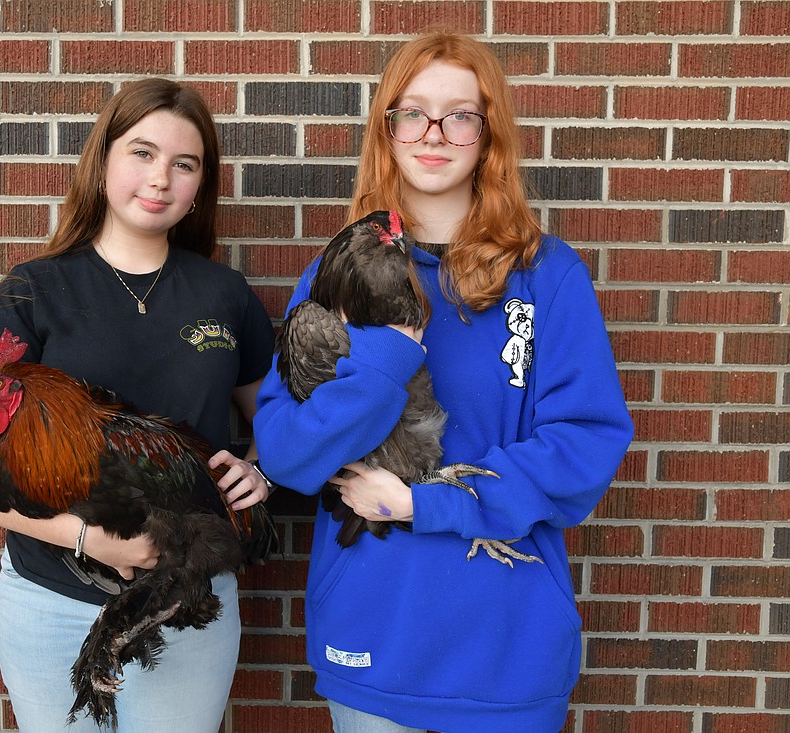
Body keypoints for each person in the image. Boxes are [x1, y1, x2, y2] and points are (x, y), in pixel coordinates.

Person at [252, 33, 634, 733]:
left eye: (460, 114)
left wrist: (422, 503)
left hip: (504, 643)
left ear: (489, 135)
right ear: (387, 128)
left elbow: (583, 450)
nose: (434, 133)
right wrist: (388, 361)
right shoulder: (333, 280)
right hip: (376, 630)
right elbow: (286, 454)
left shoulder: (548, 276)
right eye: (413, 112)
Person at [0, 78, 276, 733]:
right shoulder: (36, 289)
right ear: (105, 161)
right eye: (142, 153)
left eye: (184, 163)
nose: (160, 177)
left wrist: (261, 472)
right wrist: (86, 536)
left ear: (201, 183)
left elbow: (284, 425)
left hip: (186, 600)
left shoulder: (226, 295)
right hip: (49, 603)